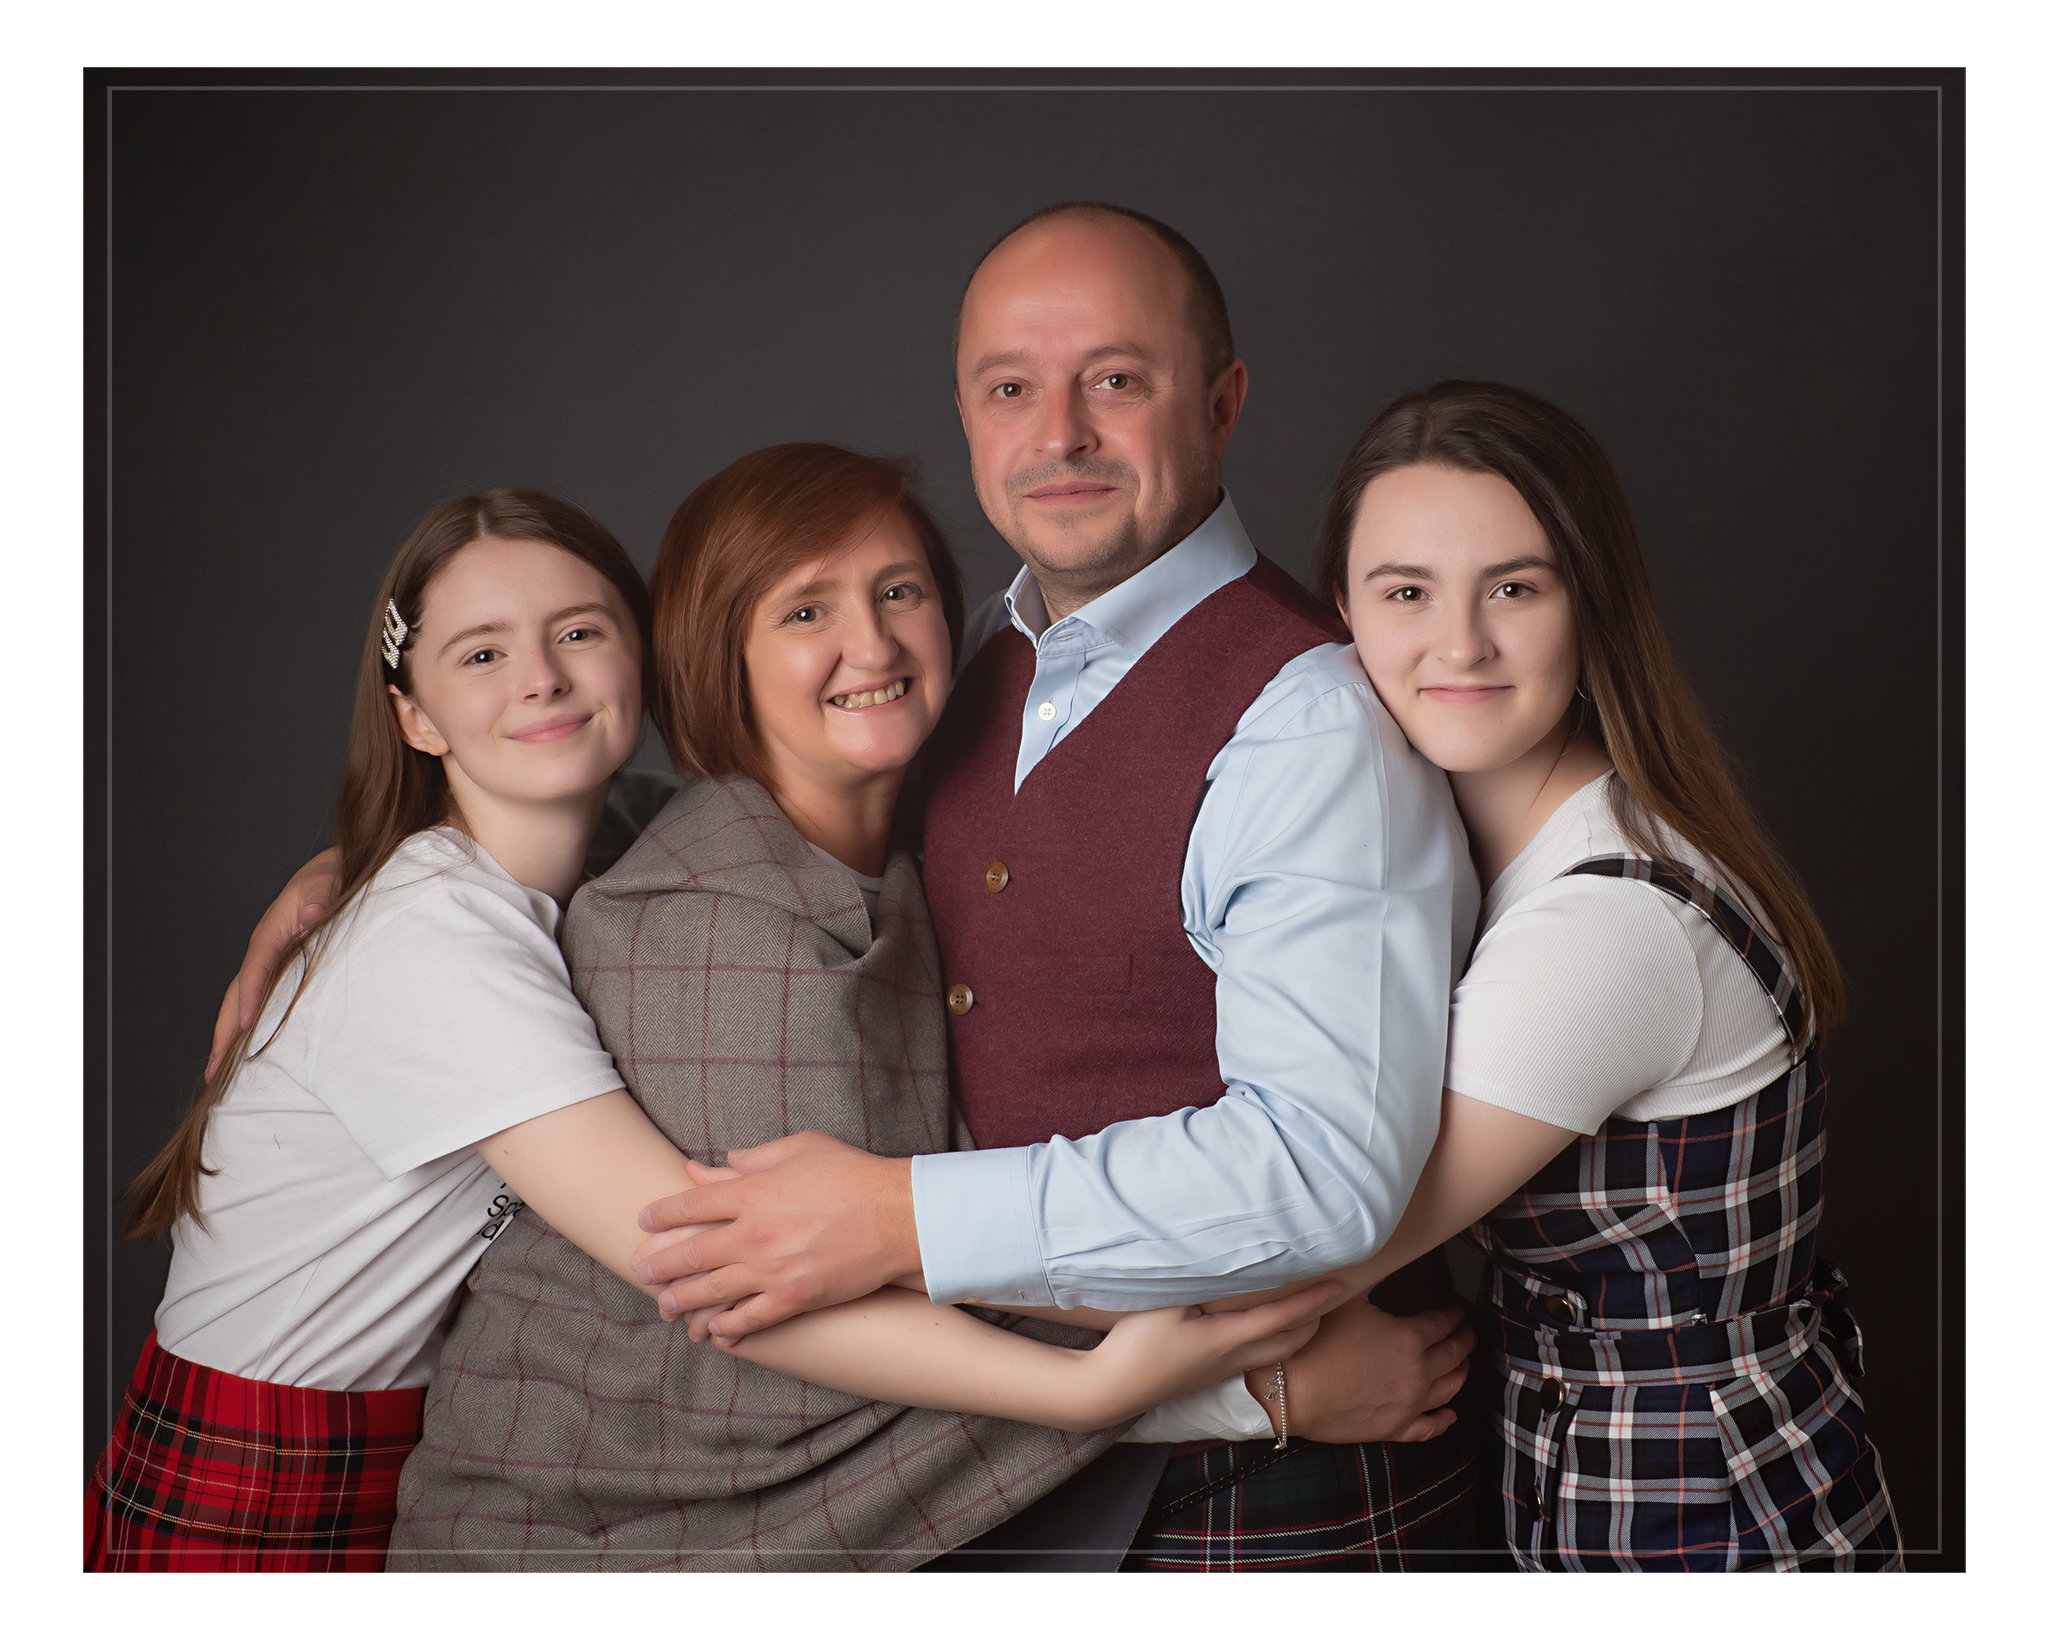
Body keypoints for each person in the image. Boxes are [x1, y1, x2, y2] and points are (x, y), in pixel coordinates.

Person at [92, 485, 1332, 1573]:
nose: (541, 677)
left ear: (646, 658)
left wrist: (332, 867)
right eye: (480, 654)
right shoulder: (433, 944)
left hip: (395, 1438)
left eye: (579, 631)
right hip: (248, 1466)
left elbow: (666, 804)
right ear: (413, 715)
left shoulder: (602, 847)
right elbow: (717, 1257)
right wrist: (1112, 1389)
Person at [626, 204, 1487, 1570]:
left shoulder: (1308, 723)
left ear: (1222, 402)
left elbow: (1319, 1172)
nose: (1061, 434)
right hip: (999, 1468)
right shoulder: (968, 657)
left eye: (1117, 380)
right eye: (1010, 388)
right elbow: (771, 801)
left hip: (1258, 1498)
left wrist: (898, 1216)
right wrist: (417, 850)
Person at [1291, 380, 1901, 1569]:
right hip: (1584, 1470)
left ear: (1589, 605)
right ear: (1341, 612)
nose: (1457, 642)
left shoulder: (1606, 924)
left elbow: (1311, 1241)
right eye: (1406, 591)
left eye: (1512, 588)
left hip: (1705, 1514)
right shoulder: (1482, 851)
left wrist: (939, 1267)